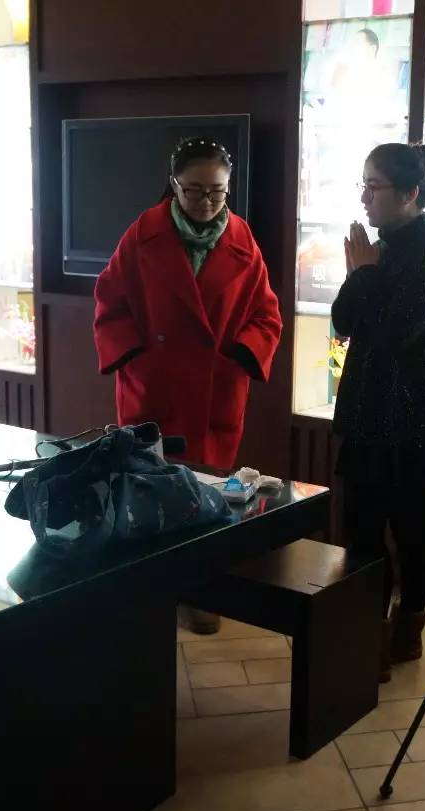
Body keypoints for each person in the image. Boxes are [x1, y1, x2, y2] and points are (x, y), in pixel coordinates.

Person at [93, 137, 282, 635]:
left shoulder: (242, 239)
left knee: (209, 495)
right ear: (174, 185)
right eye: (194, 190)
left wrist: (239, 355)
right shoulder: (144, 233)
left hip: (215, 391)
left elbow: (266, 314)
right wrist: (136, 357)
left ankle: (200, 590)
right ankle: (154, 591)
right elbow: (109, 300)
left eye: (217, 191)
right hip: (154, 388)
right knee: (148, 489)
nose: (206, 201)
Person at [332, 138, 425, 682]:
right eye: (363, 184)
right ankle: (368, 636)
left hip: (413, 425)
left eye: (374, 186)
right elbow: (343, 322)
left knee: (412, 538)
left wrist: (364, 275)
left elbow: (394, 332)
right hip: (367, 416)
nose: (364, 197)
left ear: (409, 194)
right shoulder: (378, 248)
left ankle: (406, 631)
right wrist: (359, 274)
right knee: (361, 534)